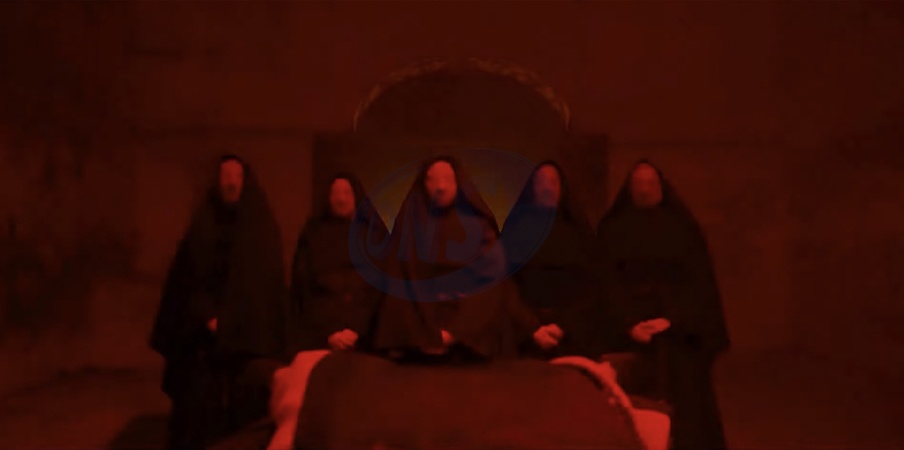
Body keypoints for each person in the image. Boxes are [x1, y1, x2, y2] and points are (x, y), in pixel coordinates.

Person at [149, 154, 290, 449]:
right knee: (198, 407)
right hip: (203, 338)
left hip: (247, 339)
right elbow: (187, 279)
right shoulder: (203, 225)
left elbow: (264, 287)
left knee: (246, 405)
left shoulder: (261, 229)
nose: (230, 183)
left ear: (245, 181)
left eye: (236, 176)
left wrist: (235, 320)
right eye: (225, 176)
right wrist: (207, 316)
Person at [596, 159, 730, 450]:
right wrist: (630, 324)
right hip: (629, 333)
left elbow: (699, 283)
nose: (645, 190)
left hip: (678, 333)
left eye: (651, 183)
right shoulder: (611, 229)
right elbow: (606, 283)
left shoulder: (683, 229)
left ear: (661, 188)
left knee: (687, 408)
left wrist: (672, 319)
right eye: (638, 184)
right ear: (629, 189)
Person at [368, 155, 540, 363]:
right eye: (433, 180)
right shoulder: (410, 224)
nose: (440, 186)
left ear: (458, 183)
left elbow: (491, 275)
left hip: (465, 311)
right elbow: (404, 275)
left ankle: (454, 339)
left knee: (492, 290)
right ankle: (421, 342)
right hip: (422, 311)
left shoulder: (478, 224)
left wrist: (455, 329)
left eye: (447, 179)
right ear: (423, 185)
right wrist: (427, 327)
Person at [501, 161, 603, 359]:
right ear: (531, 189)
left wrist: (564, 325)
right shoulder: (515, 231)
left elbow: (593, 285)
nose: (547, 187)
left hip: (574, 333)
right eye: (541, 182)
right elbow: (505, 285)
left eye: (553, 182)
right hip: (524, 334)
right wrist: (532, 326)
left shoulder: (579, 232)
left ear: (562, 188)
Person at [289, 173, 388, 354]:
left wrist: (358, 329)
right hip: (320, 333)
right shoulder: (313, 235)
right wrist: (328, 333)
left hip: (368, 336)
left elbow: (382, 287)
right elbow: (303, 289)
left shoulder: (375, 235)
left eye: (346, 193)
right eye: (335, 193)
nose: (341, 199)